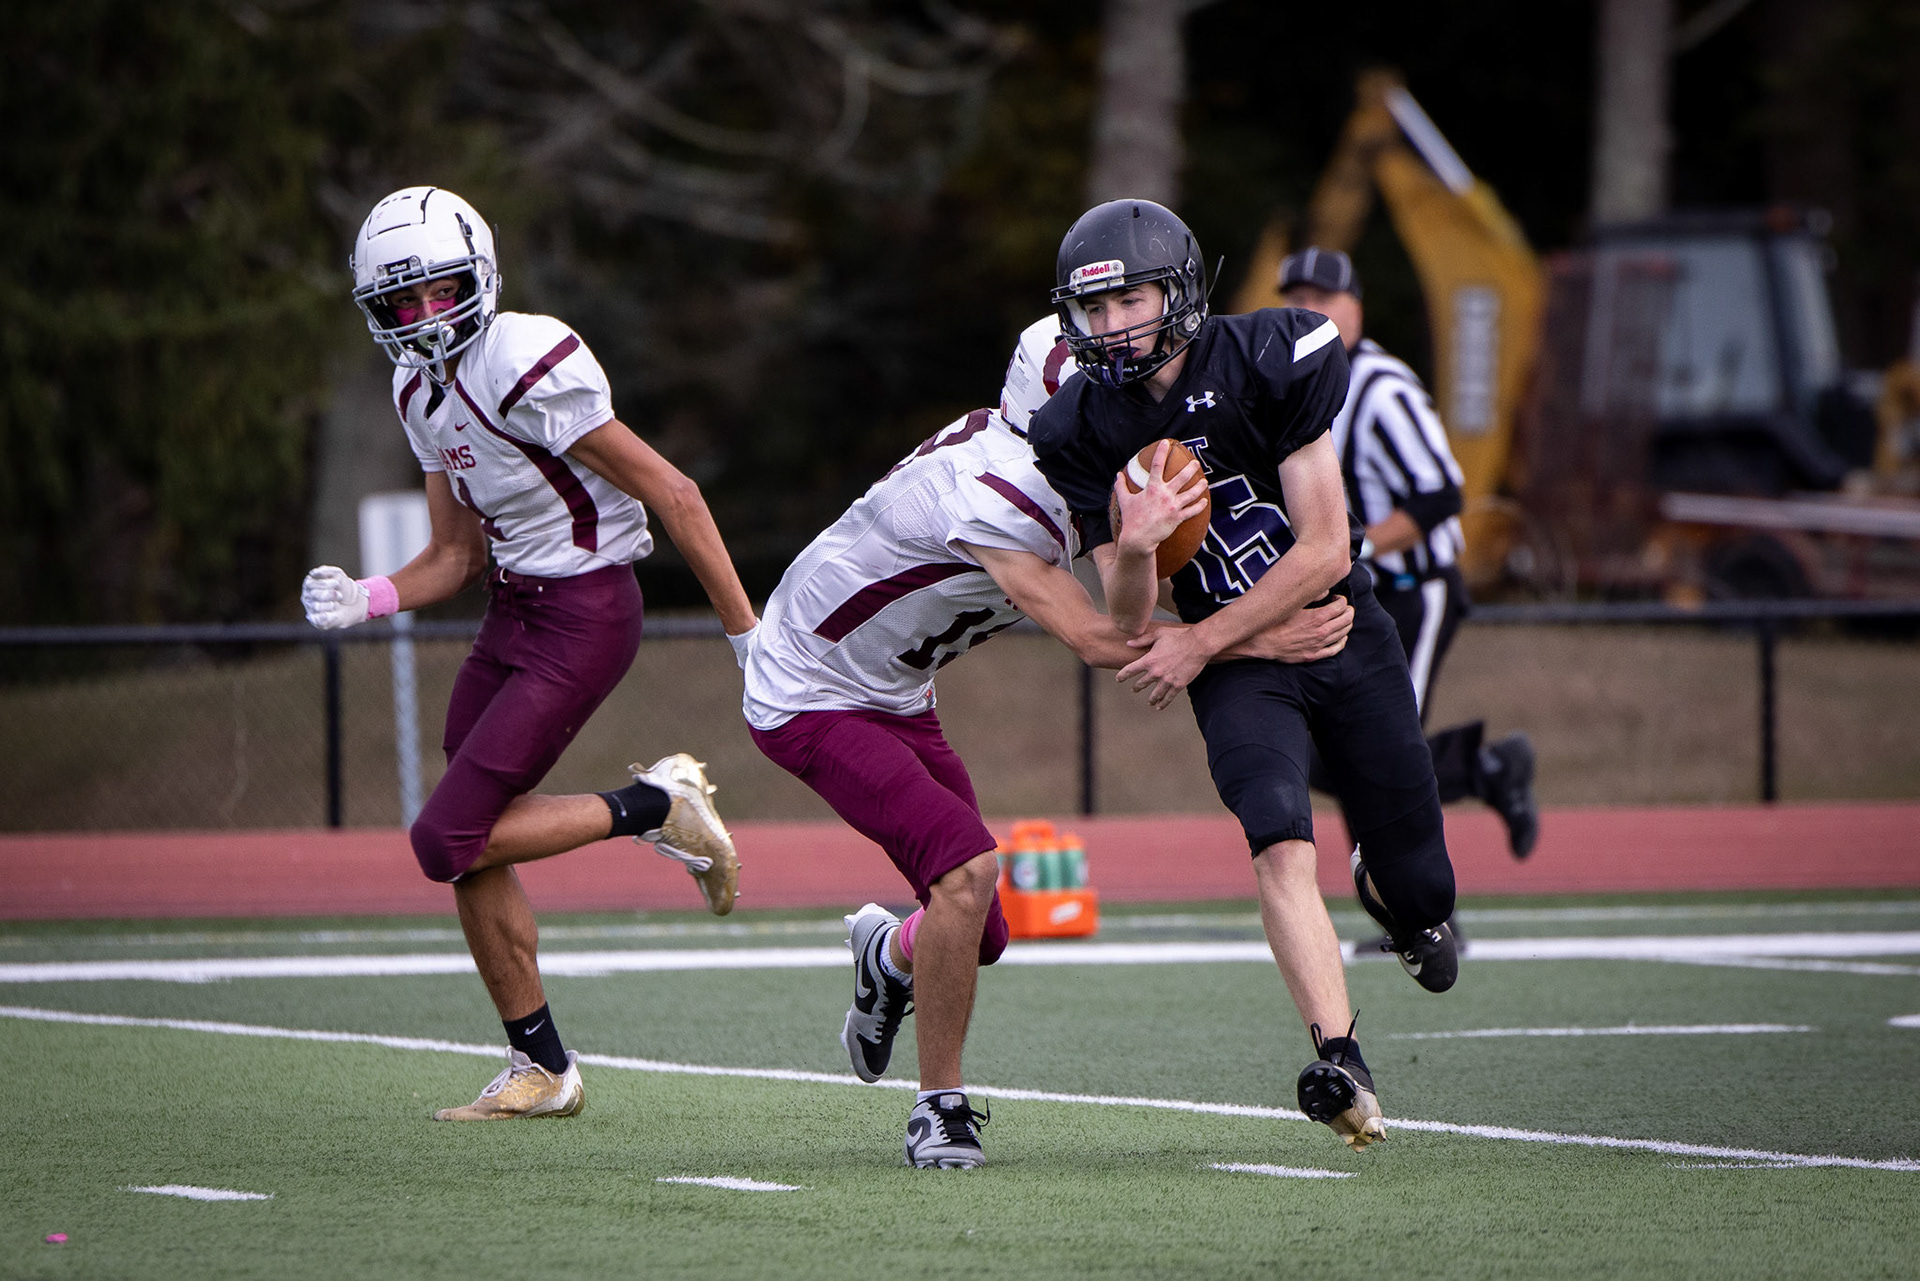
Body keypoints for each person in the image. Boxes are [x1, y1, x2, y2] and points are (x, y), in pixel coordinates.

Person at [737, 347, 1351, 1168]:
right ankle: (938, 1107)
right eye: (1110, 402)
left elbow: (1137, 595)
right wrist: (1255, 638)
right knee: (966, 873)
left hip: (894, 688)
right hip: (809, 689)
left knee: (980, 933)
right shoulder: (1003, 490)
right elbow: (1098, 637)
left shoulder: (1059, 468)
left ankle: (888, 956)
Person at [301, 186, 758, 1121]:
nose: (424, 317)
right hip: (512, 608)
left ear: (479, 277)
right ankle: (542, 1067)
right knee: (471, 843)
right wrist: (369, 595)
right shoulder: (414, 390)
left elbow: (674, 492)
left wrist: (748, 636)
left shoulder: (522, 357)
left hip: (586, 611)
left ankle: (656, 805)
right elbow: (455, 556)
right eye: (401, 301)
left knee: (443, 838)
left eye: (440, 291)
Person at [1029, 199, 1460, 1152]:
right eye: (1093, 309)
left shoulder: (1270, 357)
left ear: (1178, 294)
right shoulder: (1078, 426)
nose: (1111, 326)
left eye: (1129, 301)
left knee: (1425, 886)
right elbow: (1128, 618)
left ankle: (1396, 902)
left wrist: (1201, 640)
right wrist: (1136, 548)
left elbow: (1325, 547)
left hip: (1340, 633)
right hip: (1240, 671)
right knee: (1276, 832)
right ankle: (1341, 1057)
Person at [1277, 248, 1539, 859]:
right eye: (1296, 301)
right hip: (1358, 597)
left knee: (1378, 754)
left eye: (1322, 299)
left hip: (1414, 591)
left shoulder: (1381, 387)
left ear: (1355, 307)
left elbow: (1441, 493)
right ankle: (1485, 772)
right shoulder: (1293, 387)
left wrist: (1350, 548)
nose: (1308, 312)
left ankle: (1418, 900)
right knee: (1336, 755)